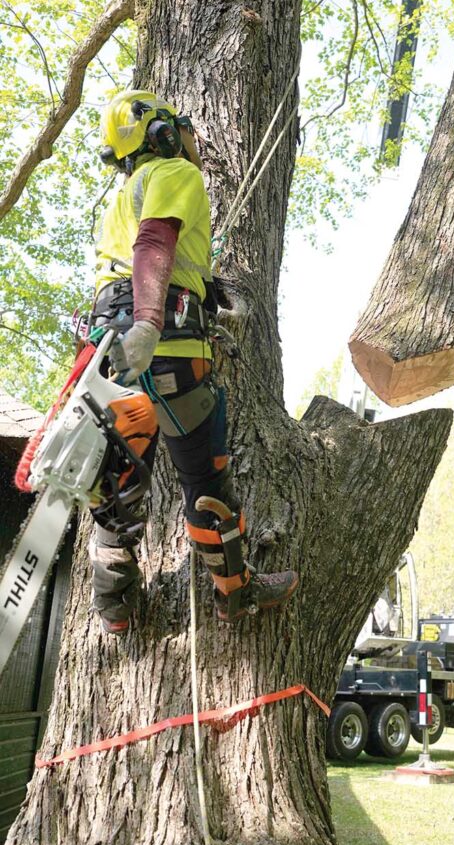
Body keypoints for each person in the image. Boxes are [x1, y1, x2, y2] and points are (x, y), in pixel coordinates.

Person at [89, 89, 298, 634]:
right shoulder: (175, 173)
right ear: (158, 134)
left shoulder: (117, 201)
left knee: (120, 482)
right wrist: (151, 322)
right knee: (206, 480)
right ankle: (235, 592)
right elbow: (154, 243)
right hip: (166, 348)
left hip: (110, 355)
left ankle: (115, 609)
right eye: (180, 126)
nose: (190, 137)